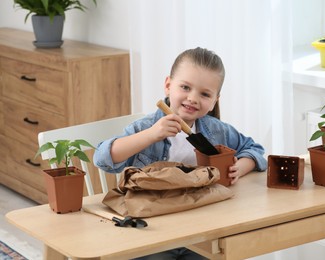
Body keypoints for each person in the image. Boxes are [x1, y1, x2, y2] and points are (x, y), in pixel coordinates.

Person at [93, 47, 267, 260]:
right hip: (151, 232)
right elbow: (102, 158)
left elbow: (255, 149)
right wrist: (150, 135)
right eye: (185, 87)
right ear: (168, 85)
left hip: (203, 228)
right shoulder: (146, 127)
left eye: (204, 94)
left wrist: (241, 166)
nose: (193, 98)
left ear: (215, 100)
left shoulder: (217, 130)